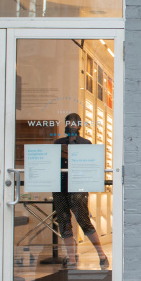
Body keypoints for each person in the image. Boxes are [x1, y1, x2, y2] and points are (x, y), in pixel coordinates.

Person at [53, 113, 109, 270]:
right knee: (64, 221)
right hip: (60, 186)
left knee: (83, 220)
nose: (71, 125)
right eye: (69, 122)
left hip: (78, 186)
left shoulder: (85, 143)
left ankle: (101, 255)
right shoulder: (58, 143)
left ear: (79, 125)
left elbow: (91, 166)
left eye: (74, 122)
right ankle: (71, 258)